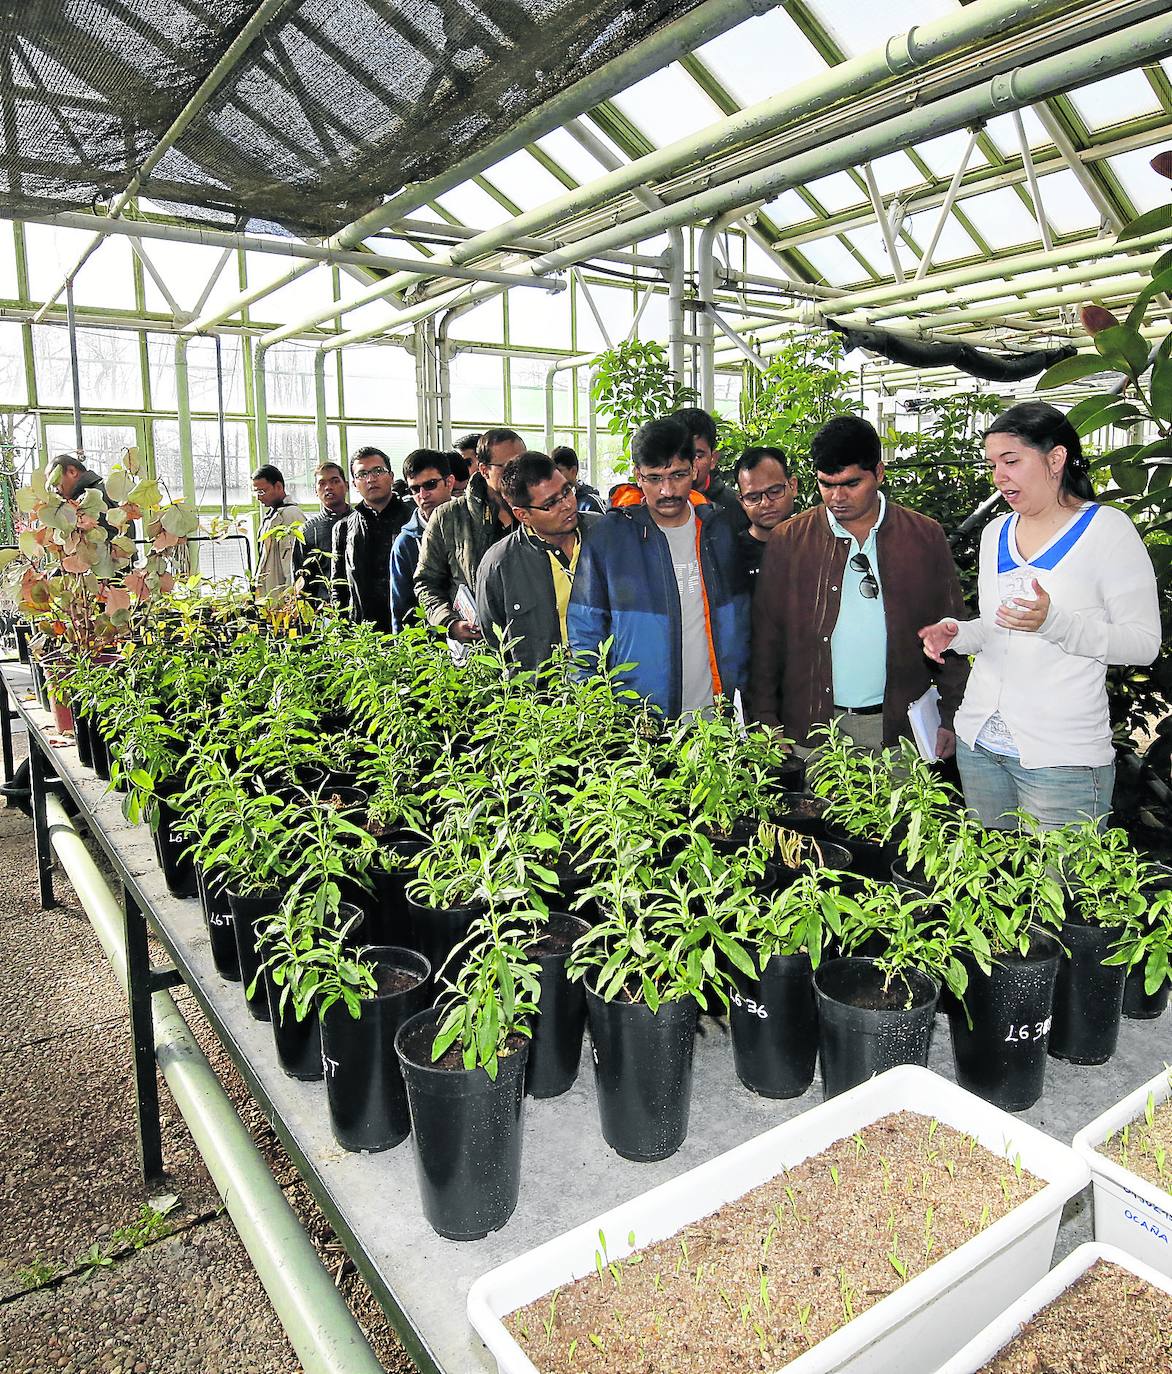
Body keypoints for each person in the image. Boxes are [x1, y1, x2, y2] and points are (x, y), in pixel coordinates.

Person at [919, 401, 1160, 828]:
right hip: (980, 745)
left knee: (1061, 889)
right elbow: (1000, 629)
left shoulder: (1107, 530)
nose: (999, 476)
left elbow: (1143, 644)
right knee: (993, 883)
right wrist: (956, 634)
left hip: (1060, 758)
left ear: (1055, 458)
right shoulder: (996, 533)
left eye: (1011, 461)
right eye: (993, 463)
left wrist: (1056, 623)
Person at [748, 414, 967, 755]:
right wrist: (765, 720)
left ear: (878, 473)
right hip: (815, 730)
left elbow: (951, 628)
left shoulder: (923, 536)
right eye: (826, 484)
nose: (837, 497)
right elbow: (766, 638)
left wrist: (952, 715)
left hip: (901, 730)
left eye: (851, 484)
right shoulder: (789, 541)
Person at [568, 416, 749, 718]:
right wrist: (597, 715)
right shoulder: (610, 540)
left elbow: (742, 625)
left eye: (678, 475)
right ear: (637, 476)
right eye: (654, 478)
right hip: (639, 723)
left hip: (716, 719)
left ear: (694, 469)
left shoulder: (720, 531)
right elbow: (585, 634)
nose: (667, 490)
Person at [477, 452, 601, 672]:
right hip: (544, 698)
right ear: (522, 515)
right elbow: (495, 644)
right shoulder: (499, 565)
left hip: (611, 687)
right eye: (550, 503)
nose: (566, 505)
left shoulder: (607, 536)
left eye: (566, 491)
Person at [414, 428, 524, 641]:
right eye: (507, 467)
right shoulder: (449, 517)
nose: (517, 474)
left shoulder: (537, 510)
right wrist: (449, 622)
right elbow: (426, 582)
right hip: (478, 646)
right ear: (484, 470)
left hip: (533, 643)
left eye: (522, 464)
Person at [330, 446, 410, 631]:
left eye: (377, 471)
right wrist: (343, 628)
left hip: (411, 628)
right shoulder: (344, 528)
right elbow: (338, 585)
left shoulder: (412, 518)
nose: (371, 479)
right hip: (365, 632)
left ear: (391, 476)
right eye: (362, 474)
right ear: (354, 484)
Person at [390, 449, 456, 632]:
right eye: (415, 489)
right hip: (431, 648)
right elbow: (401, 609)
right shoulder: (405, 543)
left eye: (430, 485)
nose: (422, 494)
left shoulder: (474, 524)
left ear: (449, 482)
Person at [734, 445, 798, 585]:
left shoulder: (815, 541)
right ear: (741, 501)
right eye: (753, 497)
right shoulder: (732, 553)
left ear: (793, 486)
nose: (765, 503)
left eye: (774, 491)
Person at [674, 406, 746, 528]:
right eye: (681, 455)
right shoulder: (654, 504)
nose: (689, 465)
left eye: (697, 456)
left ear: (713, 459)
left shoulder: (737, 507)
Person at [294, 461, 350, 602]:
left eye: (335, 481)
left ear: (347, 486)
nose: (328, 487)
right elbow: (300, 579)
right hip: (324, 611)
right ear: (315, 491)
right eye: (322, 483)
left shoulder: (361, 523)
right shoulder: (307, 531)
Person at [251, 464, 306, 596]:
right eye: (256, 492)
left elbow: (292, 563)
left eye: (262, 491)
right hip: (270, 594)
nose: (259, 497)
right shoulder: (272, 515)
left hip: (283, 597)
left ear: (279, 487)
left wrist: (291, 597)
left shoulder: (291, 515)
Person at [552, 445, 605, 515]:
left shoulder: (590, 502)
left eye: (559, 471)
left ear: (573, 471)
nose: (554, 476)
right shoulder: (551, 501)